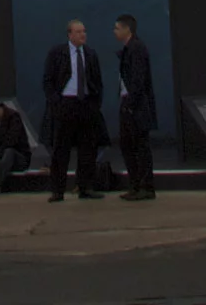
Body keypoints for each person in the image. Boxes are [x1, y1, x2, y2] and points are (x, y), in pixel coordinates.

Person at [42, 19, 105, 202]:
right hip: (65, 105)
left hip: (85, 105)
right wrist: (56, 102)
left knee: (88, 149)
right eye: (78, 32)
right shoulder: (57, 53)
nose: (82, 35)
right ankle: (58, 190)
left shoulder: (91, 54)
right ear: (69, 34)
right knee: (61, 150)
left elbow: (97, 82)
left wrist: (95, 103)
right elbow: (48, 80)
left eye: (84, 31)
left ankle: (85, 187)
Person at [113, 13, 157, 202]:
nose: (114, 32)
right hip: (130, 104)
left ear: (126, 29)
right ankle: (136, 184)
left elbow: (138, 81)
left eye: (116, 28)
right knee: (128, 146)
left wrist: (130, 105)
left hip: (136, 107)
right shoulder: (128, 49)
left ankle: (145, 187)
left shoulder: (136, 48)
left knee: (139, 147)